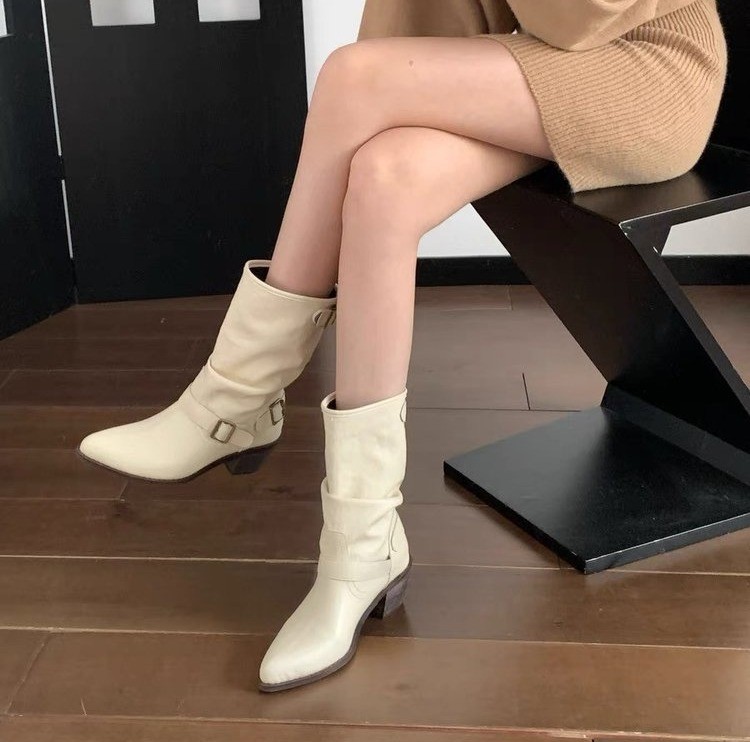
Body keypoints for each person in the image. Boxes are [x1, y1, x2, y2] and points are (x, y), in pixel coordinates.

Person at [76, 0, 728, 692]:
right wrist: (393, 106)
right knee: (385, 175)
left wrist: (389, 87)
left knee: (354, 78)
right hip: (551, 67)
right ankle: (363, 550)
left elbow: (585, 14)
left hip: (649, 71)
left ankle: (235, 395)